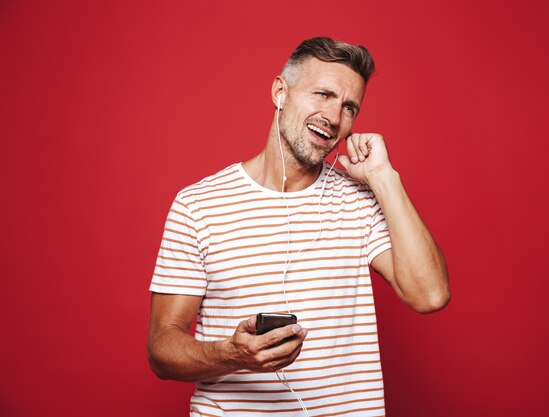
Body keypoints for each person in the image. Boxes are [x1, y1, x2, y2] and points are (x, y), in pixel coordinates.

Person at [147, 36, 450, 417]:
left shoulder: (360, 199)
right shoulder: (197, 206)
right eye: (322, 94)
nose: (334, 117)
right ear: (279, 92)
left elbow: (431, 295)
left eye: (349, 107)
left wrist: (384, 177)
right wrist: (232, 354)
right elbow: (161, 349)